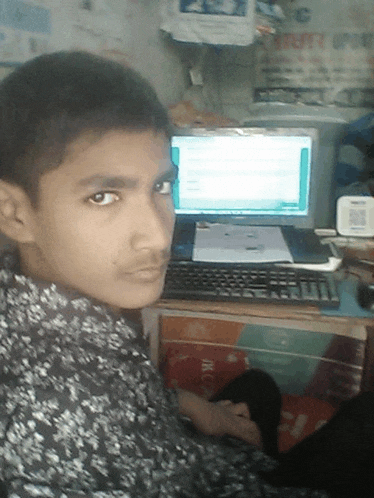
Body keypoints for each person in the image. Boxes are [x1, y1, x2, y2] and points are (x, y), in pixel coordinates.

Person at [0, 50, 329, 498]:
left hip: (196, 453)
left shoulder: (23, 296)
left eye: (161, 186)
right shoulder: (67, 418)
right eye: (103, 196)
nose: (157, 237)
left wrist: (185, 404)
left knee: (259, 385)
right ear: (14, 213)